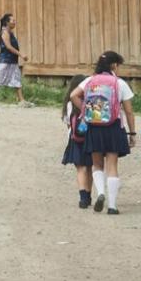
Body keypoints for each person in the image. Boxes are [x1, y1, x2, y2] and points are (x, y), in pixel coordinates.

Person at [73, 51, 137, 215]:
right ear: (114, 65)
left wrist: (86, 110)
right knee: (112, 166)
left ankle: (100, 192)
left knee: (97, 165)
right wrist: (132, 133)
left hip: (94, 127)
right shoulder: (119, 83)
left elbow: (74, 95)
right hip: (114, 127)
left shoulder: (89, 81)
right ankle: (112, 206)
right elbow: (129, 111)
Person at [61, 75, 97, 209]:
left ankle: (82, 198)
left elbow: (67, 123)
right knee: (89, 168)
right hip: (90, 138)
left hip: (75, 139)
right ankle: (88, 195)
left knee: (80, 168)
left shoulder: (69, 104)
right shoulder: (90, 102)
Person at [0, 14, 28, 104]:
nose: (14, 22)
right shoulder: (4, 32)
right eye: (13, 21)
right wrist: (21, 55)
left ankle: (22, 100)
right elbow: (8, 47)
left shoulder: (10, 32)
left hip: (12, 61)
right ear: (7, 22)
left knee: (16, 79)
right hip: (4, 61)